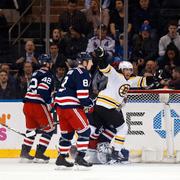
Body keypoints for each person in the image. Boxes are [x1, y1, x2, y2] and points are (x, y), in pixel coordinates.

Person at [88, 47, 158, 164]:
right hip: (107, 106)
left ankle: (78, 146)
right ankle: (116, 152)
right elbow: (104, 67)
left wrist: (157, 78)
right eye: (126, 69)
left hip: (101, 105)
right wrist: (101, 57)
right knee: (123, 128)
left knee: (94, 129)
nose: (129, 72)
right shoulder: (115, 74)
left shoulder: (132, 79)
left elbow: (145, 81)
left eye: (130, 70)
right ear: (121, 69)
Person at [54, 52, 94, 167]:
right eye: (90, 61)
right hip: (70, 106)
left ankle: (61, 158)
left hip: (60, 106)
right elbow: (82, 96)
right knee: (85, 131)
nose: (92, 63)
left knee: (67, 134)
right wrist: (91, 103)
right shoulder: (83, 73)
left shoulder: (72, 71)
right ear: (85, 62)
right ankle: (80, 158)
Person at [20, 54, 55, 163]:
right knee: (50, 129)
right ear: (48, 63)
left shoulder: (36, 73)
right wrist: (49, 103)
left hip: (27, 104)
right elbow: (43, 91)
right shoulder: (48, 75)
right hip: (37, 105)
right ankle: (40, 153)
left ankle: (25, 152)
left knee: (31, 130)